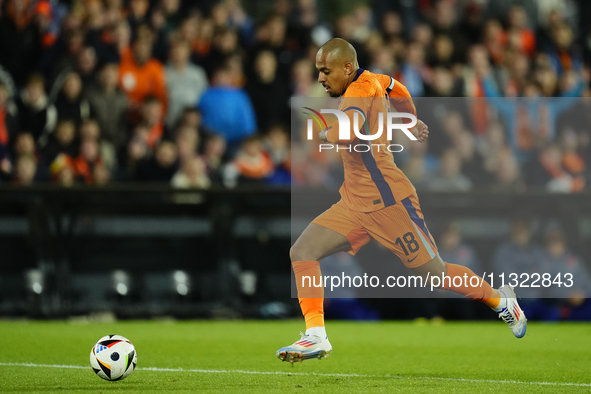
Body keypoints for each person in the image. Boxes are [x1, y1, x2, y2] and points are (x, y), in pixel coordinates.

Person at [276, 38, 527, 364]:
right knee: (303, 251)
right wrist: (411, 119)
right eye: (318, 71)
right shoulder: (373, 80)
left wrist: (324, 133)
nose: (321, 78)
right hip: (354, 202)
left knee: (436, 275)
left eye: (326, 71)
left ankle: (502, 300)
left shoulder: (359, 91)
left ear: (347, 68)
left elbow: (346, 131)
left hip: (390, 203)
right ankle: (316, 336)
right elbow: (399, 89)